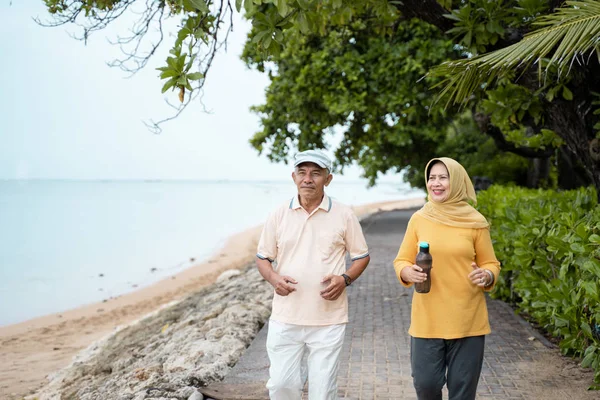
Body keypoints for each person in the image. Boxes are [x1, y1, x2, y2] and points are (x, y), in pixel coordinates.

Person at [256, 149, 371, 400]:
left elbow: (362, 256)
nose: (308, 178)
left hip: (328, 320)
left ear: (327, 179)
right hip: (286, 317)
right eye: (302, 172)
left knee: (322, 391)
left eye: (315, 173)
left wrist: (345, 279)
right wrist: (274, 278)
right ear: (294, 177)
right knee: (281, 386)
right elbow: (263, 257)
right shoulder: (278, 214)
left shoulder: (344, 214)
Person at [393, 157, 501, 400]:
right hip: (427, 319)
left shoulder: (475, 222)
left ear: (458, 182)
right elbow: (401, 260)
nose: (436, 183)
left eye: (443, 177)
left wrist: (487, 275)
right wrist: (406, 272)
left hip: (467, 319)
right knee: (426, 384)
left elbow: (491, 263)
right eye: (432, 178)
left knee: (462, 390)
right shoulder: (419, 219)